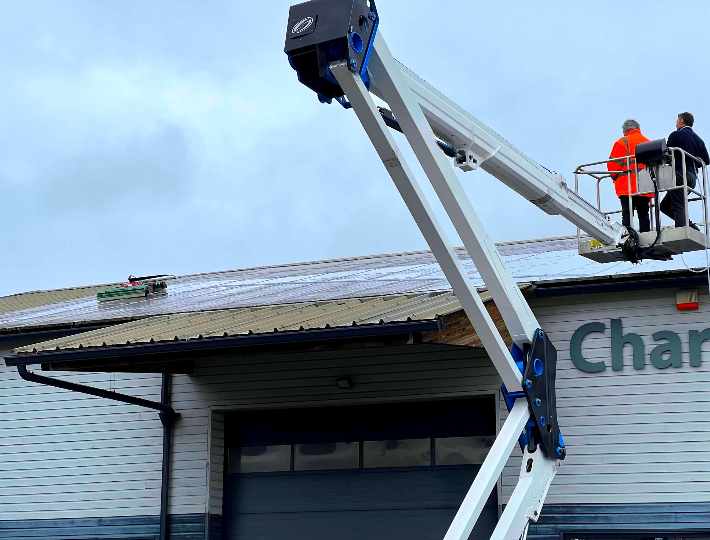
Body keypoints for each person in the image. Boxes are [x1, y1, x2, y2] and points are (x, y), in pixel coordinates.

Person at [660, 112, 710, 230]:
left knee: (677, 204)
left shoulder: (676, 135)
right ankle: (690, 226)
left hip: (680, 174)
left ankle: (682, 229)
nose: (676, 123)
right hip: (692, 177)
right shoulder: (699, 139)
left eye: (677, 121)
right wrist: (693, 160)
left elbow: (666, 155)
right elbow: (706, 160)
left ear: (682, 121)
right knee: (665, 205)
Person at [607, 119, 653, 232]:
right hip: (645, 186)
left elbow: (613, 166)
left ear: (626, 131)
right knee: (644, 214)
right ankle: (646, 236)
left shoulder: (622, 142)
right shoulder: (649, 143)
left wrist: (614, 177)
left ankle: (628, 237)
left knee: (627, 214)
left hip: (627, 187)